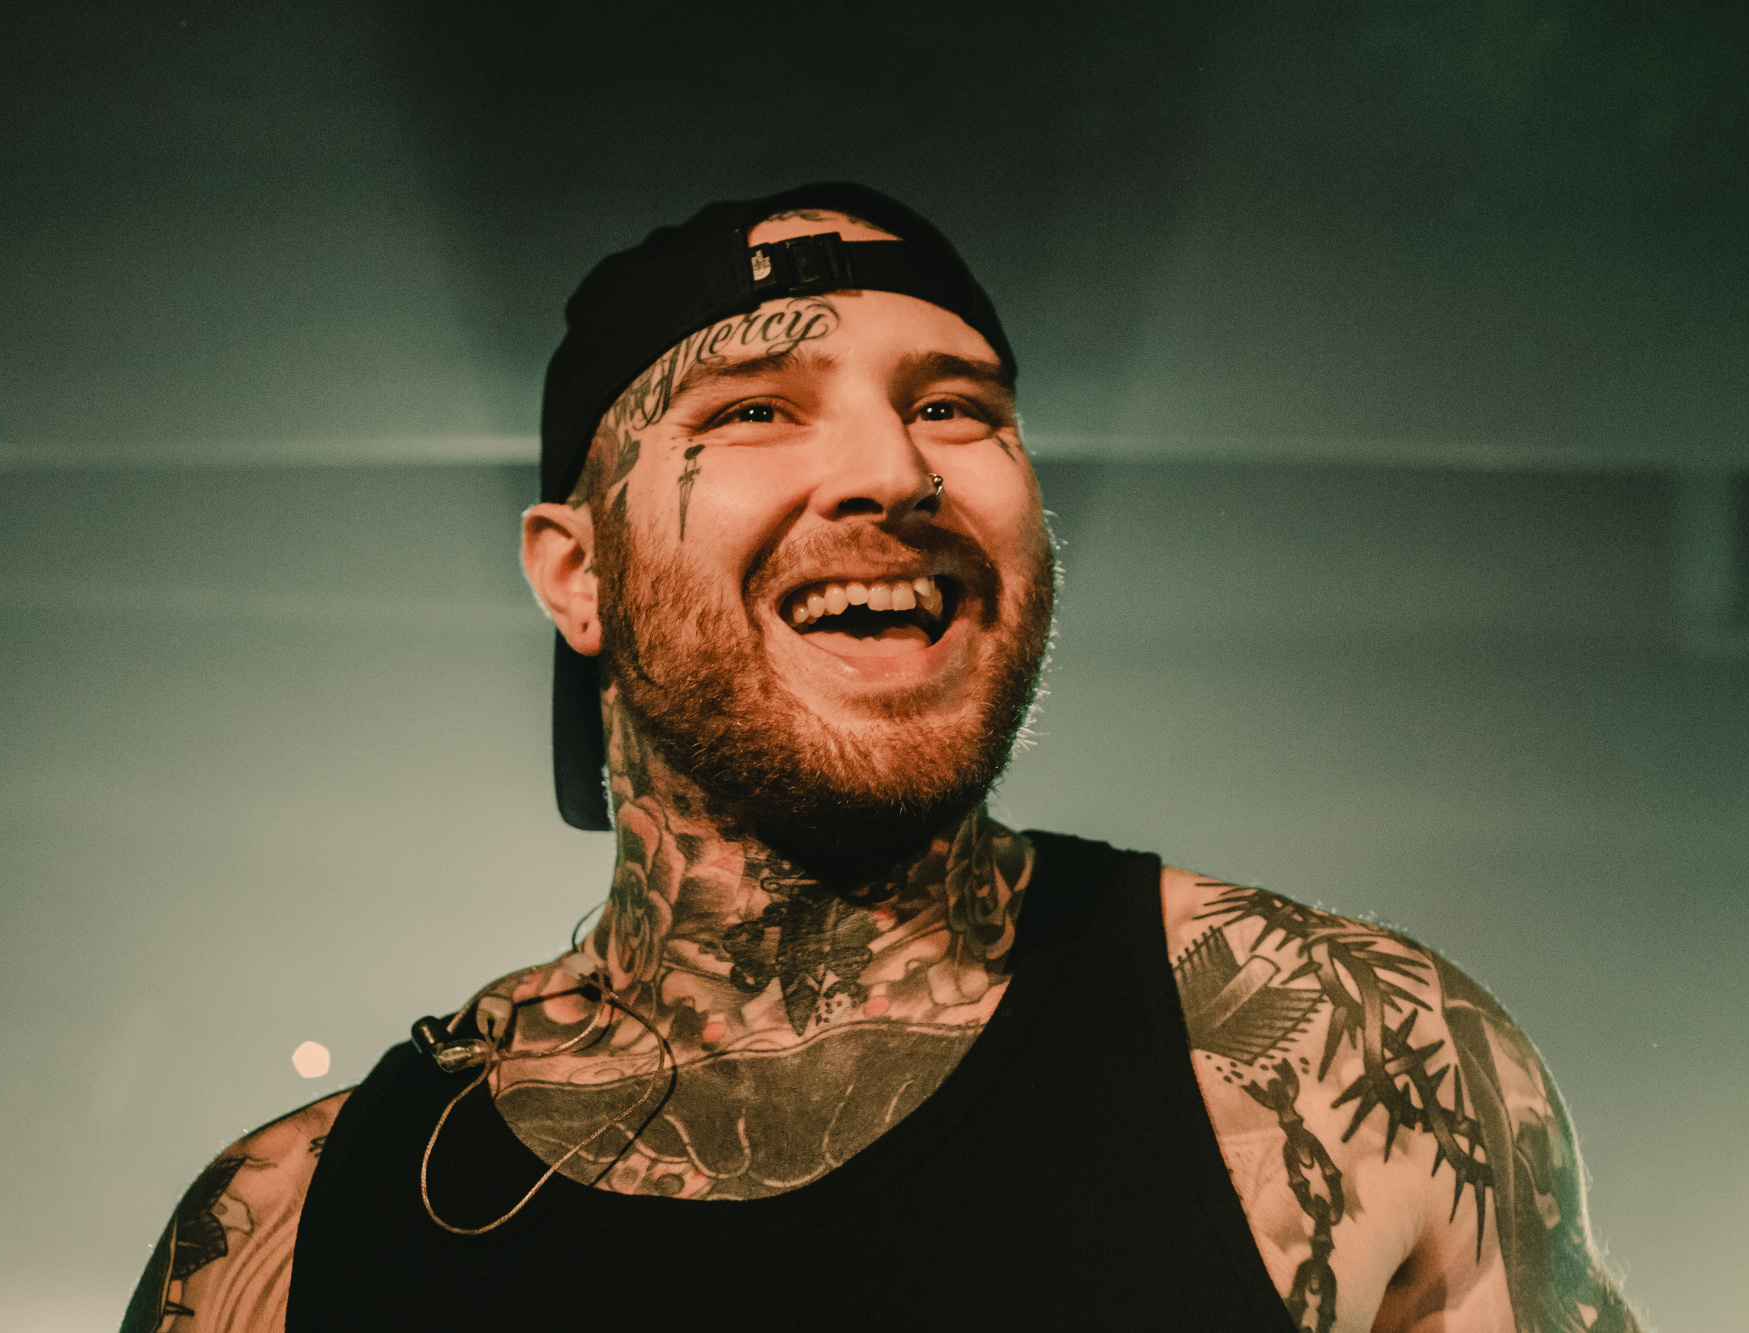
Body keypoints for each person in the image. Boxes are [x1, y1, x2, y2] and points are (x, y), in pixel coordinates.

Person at [122, 184, 1642, 1333]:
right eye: (756, 409)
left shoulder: (1349, 1056)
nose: (893, 468)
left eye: (955, 407)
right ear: (575, 574)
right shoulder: (287, 1230)